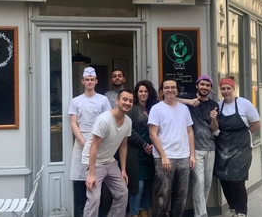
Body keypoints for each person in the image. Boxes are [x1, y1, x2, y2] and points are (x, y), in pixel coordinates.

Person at [148, 78, 196, 217]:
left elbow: (190, 132)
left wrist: (192, 154)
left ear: (177, 90)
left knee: (181, 196)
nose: (170, 90)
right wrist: (163, 155)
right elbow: (153, 134)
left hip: (183, 157)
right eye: (167, 88)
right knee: (162, 195)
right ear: (162, 91)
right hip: (164, 158)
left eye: (173, 87)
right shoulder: (156, 109)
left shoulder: (184, 109)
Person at [82, 89, 134, 217]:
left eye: (131, 101)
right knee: (94, 198)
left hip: (109, 161)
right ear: (117, 101)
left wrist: (123, 170)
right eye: (125, 99)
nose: (127, 103)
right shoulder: (104, 120)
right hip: (93, 161)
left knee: (122, 193)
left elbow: (123, 145)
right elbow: (93, 147)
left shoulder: (128, 121)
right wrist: (91, 174)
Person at [214, 77, 261, 217]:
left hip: (242, 149)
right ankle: (233, 208)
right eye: (223, 88)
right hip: (222, 148)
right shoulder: (218, 105)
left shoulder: (244, 104)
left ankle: (241, 212)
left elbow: (256, 124)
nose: (226, 91)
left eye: (228, 88)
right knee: (224, 179)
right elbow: (215, 128)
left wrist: (243, 136)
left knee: (237, 181)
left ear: (233, 89)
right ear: (220, 90)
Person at [68, 67, 111, 217]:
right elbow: (73, 123)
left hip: (99, 143)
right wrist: (81, 140)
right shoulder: (76, 101)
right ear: (82, 81)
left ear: (96, 81)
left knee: (97, 183)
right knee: (81, 184)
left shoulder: (103, 100)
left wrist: (98, 141)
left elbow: (107, 121)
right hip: (81, 143)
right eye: (87, 79)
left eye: (92, 79)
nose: (89, 82)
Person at [178, 75, 219, 217]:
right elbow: (169, 99)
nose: (204, 87)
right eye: (202, 84)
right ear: (197, 85)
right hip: (195, 149)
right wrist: (188, 101)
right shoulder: (188, 98)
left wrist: (214, 119)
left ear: (211, 88)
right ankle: (201, 214)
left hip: (210, 148)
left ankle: (200, 212)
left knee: (207, 183)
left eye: (208, 85)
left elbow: (214, 129)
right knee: (199, 182)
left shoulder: (214, 104)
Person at [126, 80, 159, 217]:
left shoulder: (155, 108)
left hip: (152, 153)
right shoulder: (132, 109)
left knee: (147, 187)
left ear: (150, 92)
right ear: (136, 93)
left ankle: (144, 212)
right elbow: (129, 131)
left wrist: (152, 146)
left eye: (146, 91)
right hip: (136, 153)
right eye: (140, 91)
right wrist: (144, 145)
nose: (143, 93)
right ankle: (133, 213)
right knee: (137, 187)